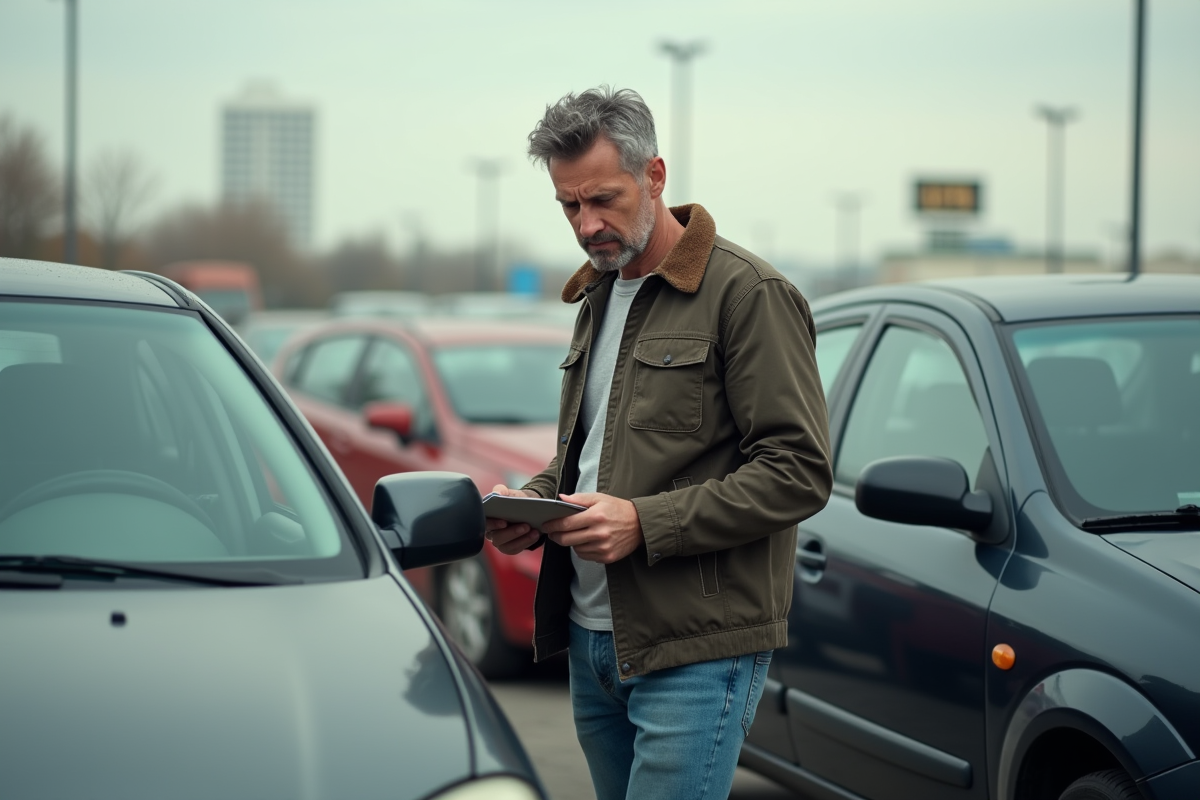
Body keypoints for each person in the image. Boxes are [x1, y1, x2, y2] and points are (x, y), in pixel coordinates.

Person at [486, 86, 832, 800]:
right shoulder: (598, 294)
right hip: (590, 639)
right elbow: (592, 453)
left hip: (697, 648)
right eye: (569, 207)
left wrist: (644, 522)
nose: (588, 225)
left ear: (655, 176)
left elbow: (799, 472)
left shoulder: (748, 293)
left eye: (604, 199)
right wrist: (536, 501)